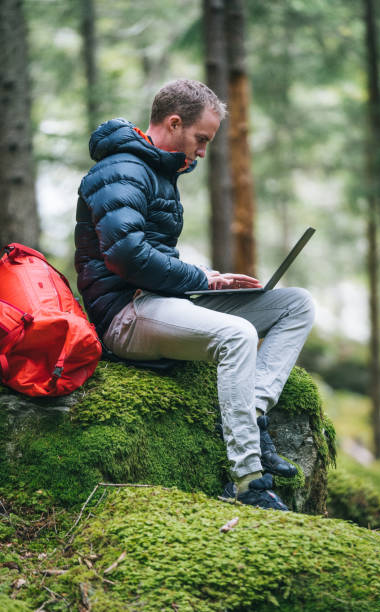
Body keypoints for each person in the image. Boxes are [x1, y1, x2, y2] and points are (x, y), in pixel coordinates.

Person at [75, 78, 315, 511]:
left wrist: (207, 276)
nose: (203, 151)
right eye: (201, 139)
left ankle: (253, 412)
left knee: (296, 304)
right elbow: (126, 256)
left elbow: (152, 253)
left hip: (161, 302)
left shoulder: (158, 171)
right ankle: (248, 482)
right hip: (124, 314)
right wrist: (201, 279)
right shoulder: (121, 169)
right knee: (237, 334)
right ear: (173, 123)